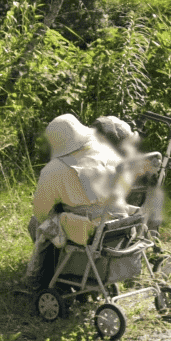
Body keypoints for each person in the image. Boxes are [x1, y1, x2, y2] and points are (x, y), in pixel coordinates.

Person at [26, 114, 135, 285]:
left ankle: (43, 277)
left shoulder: (53, 170)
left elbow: (40, 212)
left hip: (89, 230)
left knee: (38, 224)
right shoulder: (108, 152)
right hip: (119, 223)